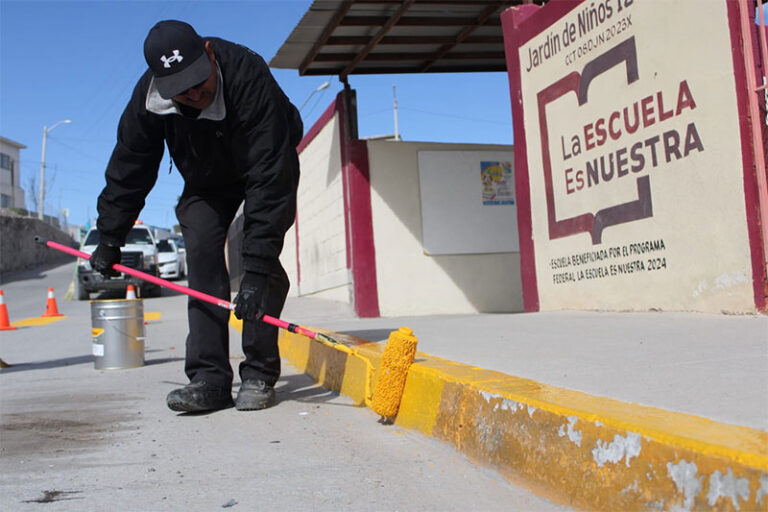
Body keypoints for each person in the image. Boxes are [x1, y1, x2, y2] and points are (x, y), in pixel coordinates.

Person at [90, 20, 302, 413]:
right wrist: (110, 236)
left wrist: (253, 269)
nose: (194, 94)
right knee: (203, 252)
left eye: (199, 82)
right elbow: (130, 167)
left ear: (208, 52)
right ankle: (209, 378)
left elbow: (270, 179)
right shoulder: (150, 100)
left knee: (261, 265)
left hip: (264, 162)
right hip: (206, 181)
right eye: (182, 91)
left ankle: (258, 372)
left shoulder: (246, 73)